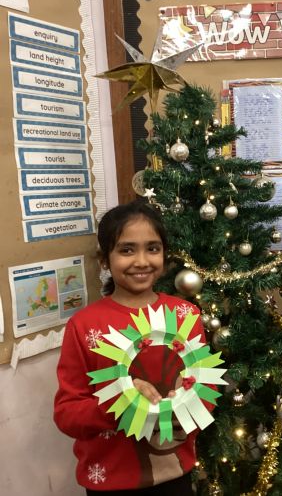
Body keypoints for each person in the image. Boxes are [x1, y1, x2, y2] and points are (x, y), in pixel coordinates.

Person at [54, 201, 205, 495]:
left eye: (153, 248)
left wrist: (187, 399)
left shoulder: (185, 315)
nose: (142, 261)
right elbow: (67, 413)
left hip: (175, 473)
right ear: (104, 260)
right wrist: (118, 404)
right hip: (111, 480)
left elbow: (205, 392)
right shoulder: (84, 326)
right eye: (126, 250)